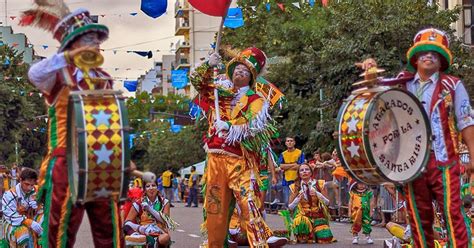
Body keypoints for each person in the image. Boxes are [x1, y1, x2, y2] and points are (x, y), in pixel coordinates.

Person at [22, 4, 126, 247]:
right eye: (89, 39)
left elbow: (113, 122)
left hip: (101, 162)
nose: (96, 45)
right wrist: (65, 56)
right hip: (65, 162)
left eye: (97, 40)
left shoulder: (105, 79)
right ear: (74, 45)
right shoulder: (58, 74)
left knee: (108, 229)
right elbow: (33, 75)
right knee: (59, 230)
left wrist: (121, 160)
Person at [362, 28, 474, 247]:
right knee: (418, 218)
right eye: (424, 52)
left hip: (444, 160)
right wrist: (370, 72)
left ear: (442, 60)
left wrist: (472, 155)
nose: (429, 56)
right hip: (411, 163)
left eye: (434, 52)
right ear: (415, 57)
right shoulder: (401, 84)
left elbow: (466, 121)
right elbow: (376, 105)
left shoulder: (453, 84)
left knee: (453, 214)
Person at [190, 47, 287, 247]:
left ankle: (259, 244)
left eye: (245, 71)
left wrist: (230, 127)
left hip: (239, 161)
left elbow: (254, 126)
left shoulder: (256, 99)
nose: (239, 72)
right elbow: (197, 81)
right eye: (237, 69)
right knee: (215, 207)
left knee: (248, 203)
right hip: (215, 159)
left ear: (251, 77)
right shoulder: (218, 90)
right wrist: (208, 64)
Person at [288, 163, 335, 244]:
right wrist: (298, 198)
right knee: (301, 225)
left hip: (318, 216)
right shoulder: (294, 186)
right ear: (299, 174)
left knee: (325, 239)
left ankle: (316, 232)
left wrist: (317, 194)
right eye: (302, 170)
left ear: (311, 172)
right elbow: (290, 207)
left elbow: (327, 203)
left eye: (307, 169)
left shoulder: (319, 184)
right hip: (304, 216)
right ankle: (307, 233)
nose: (304, 172)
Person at [124, 179, 175, 248]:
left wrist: (150, 209)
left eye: (153, 185)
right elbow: (127, 222)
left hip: (159, 233)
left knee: (165, 238)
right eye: (148, 186)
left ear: (157, 187)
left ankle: (151, 243)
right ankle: (140, 239)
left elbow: (166, 221)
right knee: (125, 229)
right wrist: (140, 228)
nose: (151, 188)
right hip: (143, 233)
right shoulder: (138, 203)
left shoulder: (164, 202)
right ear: (144, 189)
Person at [2, 168, 42, 247]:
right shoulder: (10, 195)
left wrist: (38, 206)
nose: (29, 188)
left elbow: (43, 209)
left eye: (32, 185)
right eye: (27, 184)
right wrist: (29, 222)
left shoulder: (36, 190)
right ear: (20, 180)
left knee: (45, 224)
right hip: (12, 222)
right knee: (23, 234)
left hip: (32, 217)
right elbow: (10, 215)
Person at [279, 137, 305, 208]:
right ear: (285, 143)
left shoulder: (300, 153)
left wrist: (287, 166)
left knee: (294, 201)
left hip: (296, 180)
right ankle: (289, 217)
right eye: (288, 141)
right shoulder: (283, 154)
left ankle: (294, 217)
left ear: (294, 143)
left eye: (291, 141)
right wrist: (293, 164)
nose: (289, 142)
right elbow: (281, 166)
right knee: (287, 201)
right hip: (286, 180)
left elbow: (300, 166)